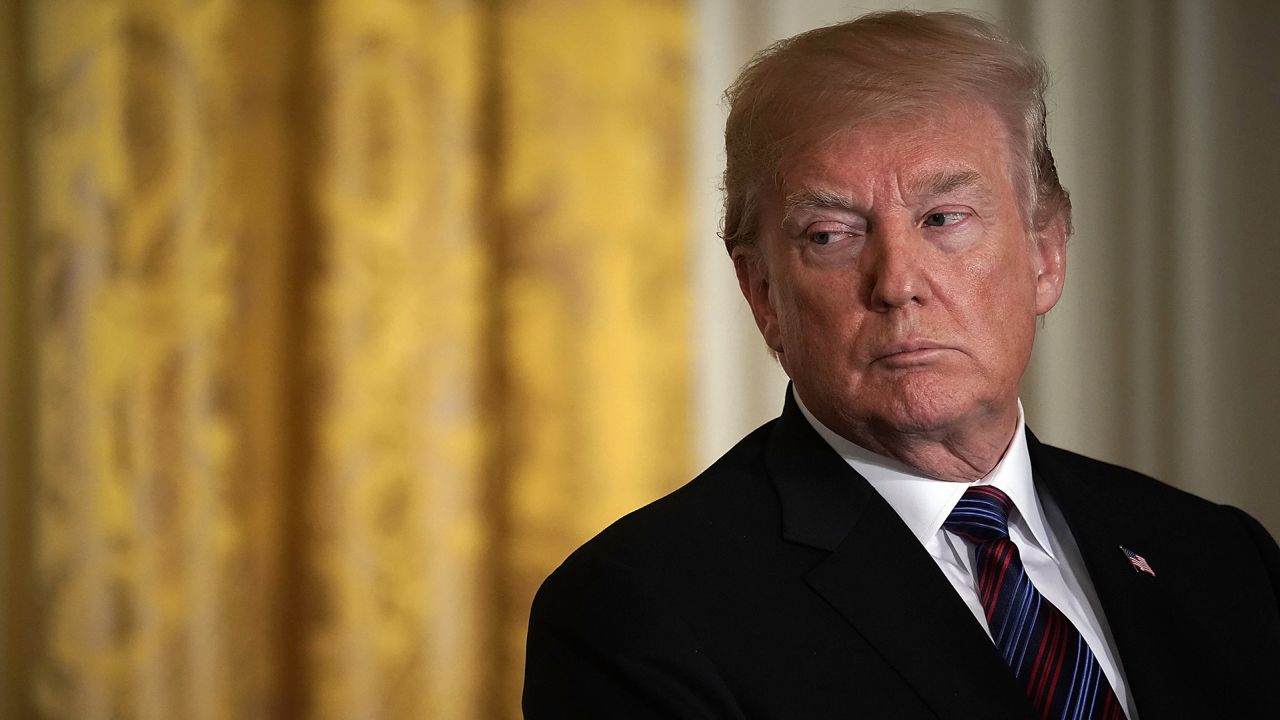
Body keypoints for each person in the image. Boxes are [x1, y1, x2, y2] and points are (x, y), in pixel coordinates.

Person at [522, 11, 1280, 719]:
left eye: (943, 219)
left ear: (1046, 254)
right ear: (762, 294)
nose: (896, 283)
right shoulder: (640, 608)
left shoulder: (1222, 558)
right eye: (830, 234)